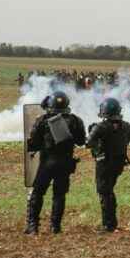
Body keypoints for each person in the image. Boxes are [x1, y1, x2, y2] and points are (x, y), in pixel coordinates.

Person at [24, 91, 86, 235]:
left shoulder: (42, 120)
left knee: (38, 193)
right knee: (59, 195)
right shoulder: (76, 120)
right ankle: (55, 227)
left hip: (47, 163)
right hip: (65, 163)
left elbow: (33, 143)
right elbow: (81, 141)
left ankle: (33, 226)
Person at [86, 98, 130, 232]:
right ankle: (111, 222)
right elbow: (126, 141)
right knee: (109, 191)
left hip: (104, 163)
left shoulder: (100, 127)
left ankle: (109, 225)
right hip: (118, 163)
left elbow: (88, 143)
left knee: (104, 192)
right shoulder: (127, 126)